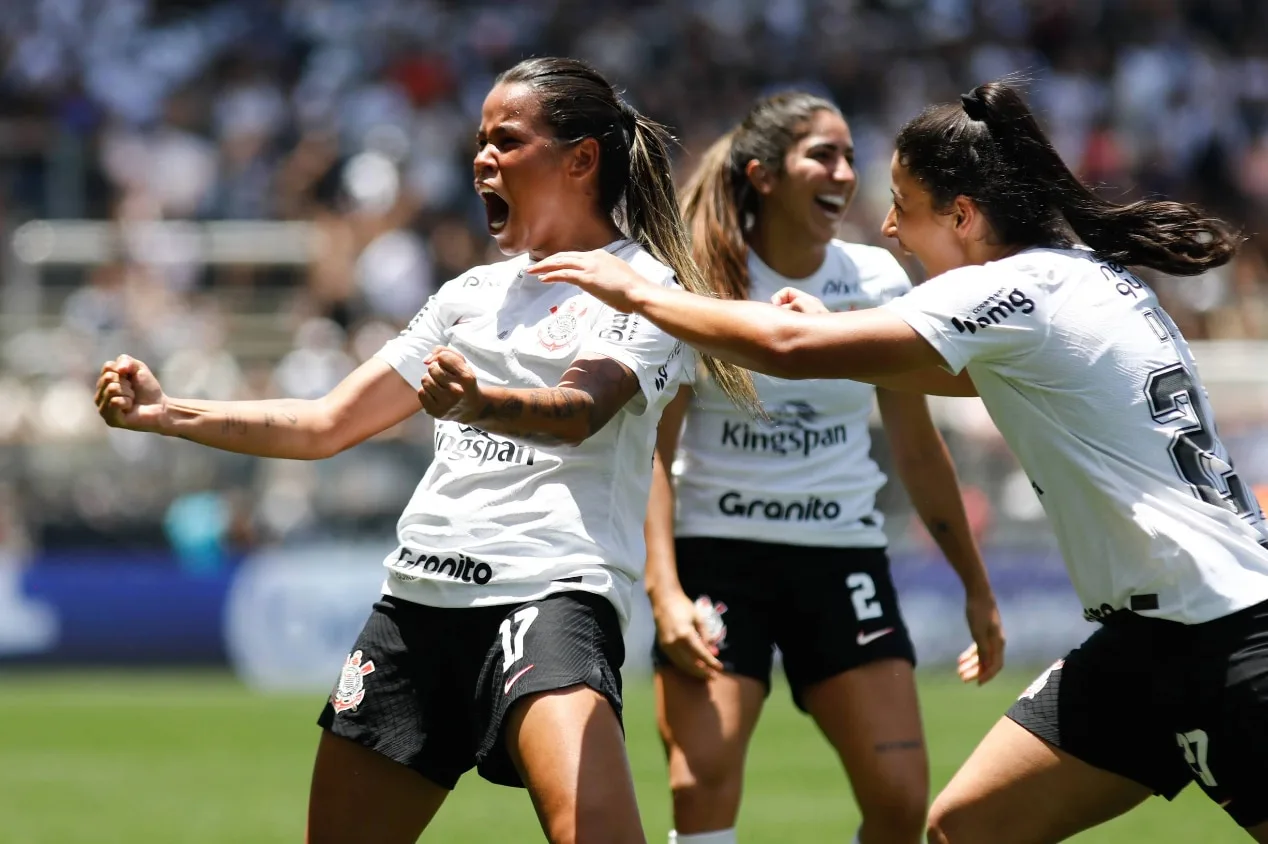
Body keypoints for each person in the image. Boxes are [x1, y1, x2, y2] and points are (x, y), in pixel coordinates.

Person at [529, 80, 1268, 843]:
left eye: (902, 204)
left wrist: (638, 292)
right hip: (1148, 641)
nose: (887, 227)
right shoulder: (1077, 280)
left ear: (962, 216)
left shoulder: (1009, 287)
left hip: (1227, 633)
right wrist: (843, 335)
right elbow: (942, 374)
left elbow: (789, 348)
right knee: (960, 829)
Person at [95, 56, 757, 844]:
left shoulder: (644, 287)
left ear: (580, 159)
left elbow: (580, 410)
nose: (483, 159)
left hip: (547, 598)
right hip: (415, 606)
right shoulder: (469, 295)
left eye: (506, 140)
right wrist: (169, 412)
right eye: (480, 141)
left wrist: (482, 402)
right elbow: (326, 423)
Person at [644, 92, 1004, 844]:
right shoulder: (699, 278)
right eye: (822, 155)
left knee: (901, 800)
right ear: (763, 175)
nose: (843, 172)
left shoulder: (877, 280)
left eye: (848, 156)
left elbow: (916, 447)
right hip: (718, 558)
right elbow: (655, 451)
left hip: (841, 557)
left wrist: (976, 586)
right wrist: (665, 590)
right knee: (698, 785)